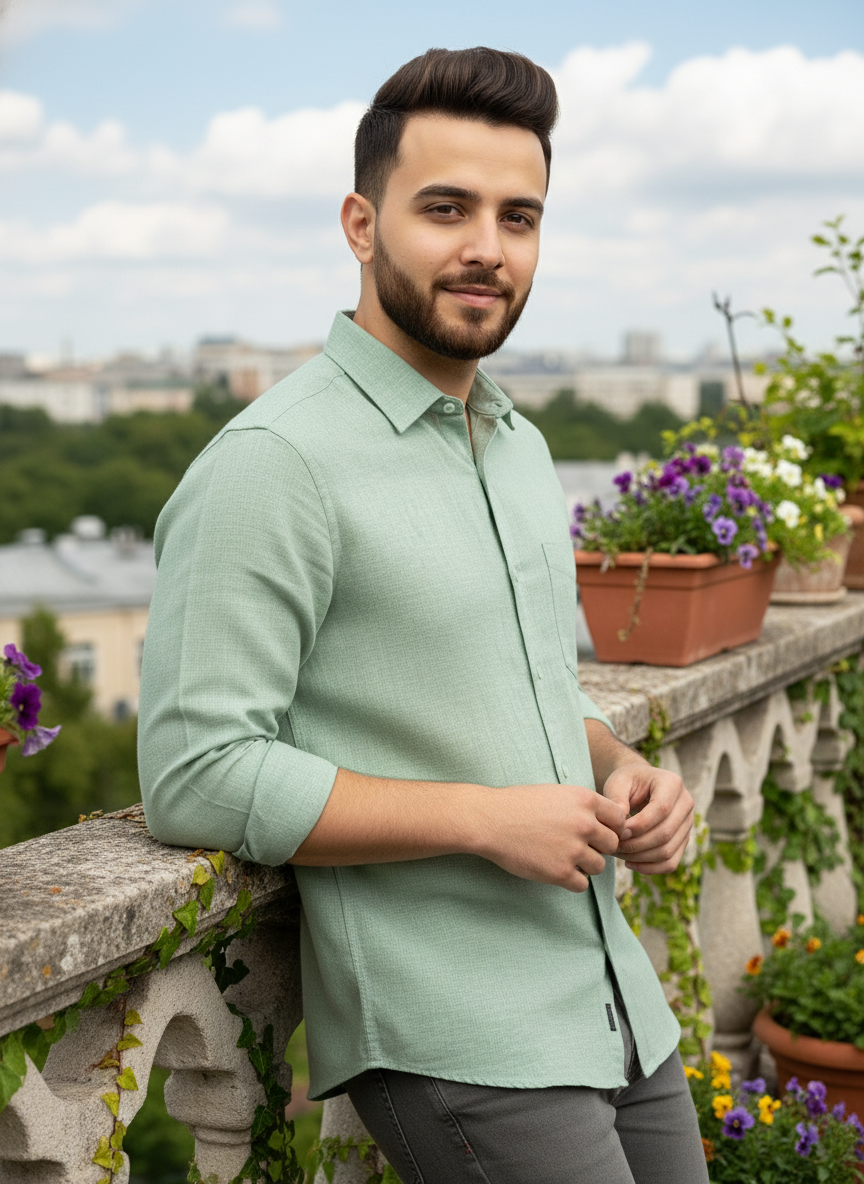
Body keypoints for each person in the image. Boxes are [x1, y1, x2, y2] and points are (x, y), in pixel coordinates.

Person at [139, 47, 708, 1184]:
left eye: (520, 215)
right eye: (445, 208)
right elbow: (196, 768)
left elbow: (520, 681)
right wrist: (484, 818)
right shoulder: (274, 462)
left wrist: (616, 763)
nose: (487, 247)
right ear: (361, 221)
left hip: (609, 994)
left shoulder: (519, 441)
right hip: (460, 1030)